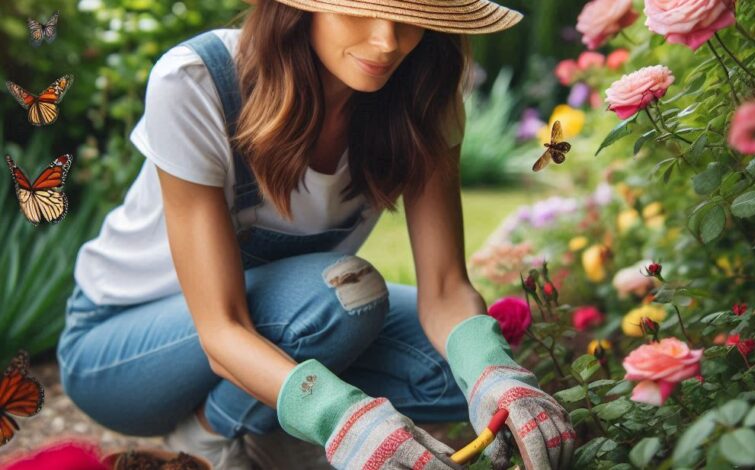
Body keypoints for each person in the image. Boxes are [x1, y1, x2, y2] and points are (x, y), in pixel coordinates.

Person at [56, 0, 575, 468]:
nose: (387, 41)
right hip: (123, 353)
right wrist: (340, 416)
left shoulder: (423, 102)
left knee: (459, 373)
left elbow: (444, 291)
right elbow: (221, 328)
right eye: (360, 10)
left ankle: (274, 432)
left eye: (409, 18)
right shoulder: (197, 81)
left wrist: (493, 376)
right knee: (344, 293)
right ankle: (209, 437)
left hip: (286, 320)